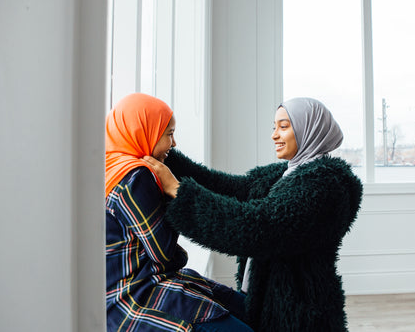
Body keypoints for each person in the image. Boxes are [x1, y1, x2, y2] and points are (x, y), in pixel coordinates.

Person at [143, 97, 363, 332]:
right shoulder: (286, 174)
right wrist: (166, 155)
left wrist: (178, 191)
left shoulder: (324, 184)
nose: (275, 135)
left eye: (284, 126)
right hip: (264, 300)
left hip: (299, 314)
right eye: (274, 127)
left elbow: (259, 228)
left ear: (309, 129)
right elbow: (228, 187)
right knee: (200, 289)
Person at [105, 93, 253, 332]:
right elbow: (164, 254)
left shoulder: (108, 167)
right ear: (144, 131)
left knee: (247, 309)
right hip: (137, 297)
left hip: (119, 295)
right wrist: (173, 191)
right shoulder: (137, 176)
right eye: (169, 134)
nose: (174, 145)